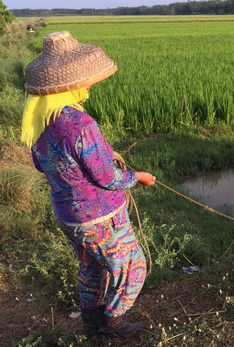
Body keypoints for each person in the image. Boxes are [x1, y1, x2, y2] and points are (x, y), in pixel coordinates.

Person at [21, 31, 156, 339]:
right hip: (101, 218)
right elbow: (108, 178)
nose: (89, 85)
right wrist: (138, 177)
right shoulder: (81, 125)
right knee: (132, 267)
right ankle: (111, 323)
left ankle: (90, 327)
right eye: (85, 80)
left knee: (92, 269)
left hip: (68, 216)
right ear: (68, 85)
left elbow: (41, 164)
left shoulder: (39, 123)